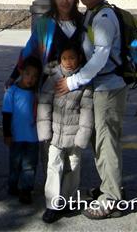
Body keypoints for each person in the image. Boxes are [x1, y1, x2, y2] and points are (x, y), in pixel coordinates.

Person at [54, 0, 126, 221]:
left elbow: (101, 56)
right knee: (100, 142)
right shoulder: (91, 14)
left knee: (106, 143)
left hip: (108, 87)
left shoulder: (103, 17)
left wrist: (74, 82)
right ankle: (110, 185)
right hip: (100, 87)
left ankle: (112, 199)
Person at [37, 43, 94, 224]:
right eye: (64, 58)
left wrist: (82, 136)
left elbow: (87, 111)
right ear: (59, 60)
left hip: (74, 134)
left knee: (73, 167)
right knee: (53, 166)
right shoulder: (53, 78)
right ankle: (52, 205)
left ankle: (68, 199)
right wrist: (45, 131)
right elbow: (44, 104)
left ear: (79, 58)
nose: (68, 62)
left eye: (72, 58)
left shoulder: (83, 81)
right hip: (54, 133)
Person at [6, 0, 83, 88]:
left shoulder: (83, 21)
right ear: (54, 0)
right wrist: (13, 76)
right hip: (50, 82)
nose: (64, 1)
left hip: (78, 82)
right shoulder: (46, 22)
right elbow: (30, 49)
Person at [2, 56, 42, 204]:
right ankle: (13, 184)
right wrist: (7, 134)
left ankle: (26, 190)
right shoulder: (11, 92)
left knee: (30, 166)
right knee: (15, 163)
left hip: (33, 137)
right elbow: (6, 115)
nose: (30, 79)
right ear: (21, 72)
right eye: (27, 74)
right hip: (16, 137)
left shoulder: (37, 93)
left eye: (35, 76)